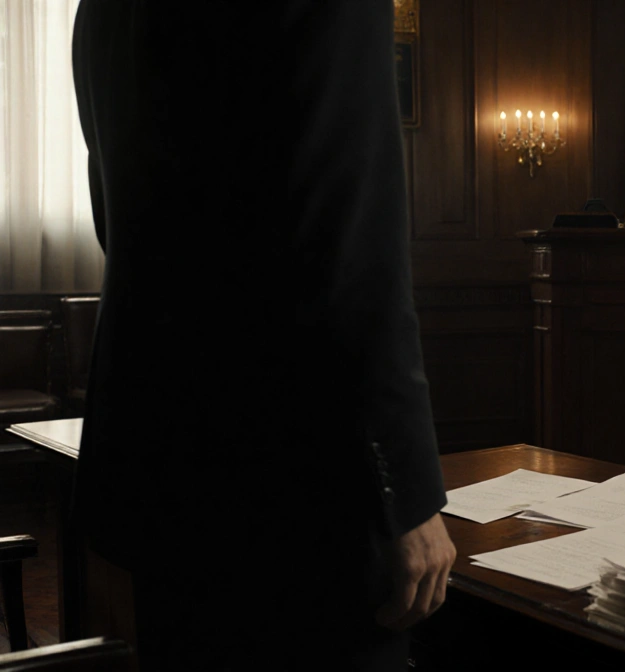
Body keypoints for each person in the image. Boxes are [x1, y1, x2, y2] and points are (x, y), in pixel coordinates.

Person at [70, 2, 454, 669]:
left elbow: (117, 217)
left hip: (162, 463)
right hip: (300, 485)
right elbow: (349, 246)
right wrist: (403, 494)